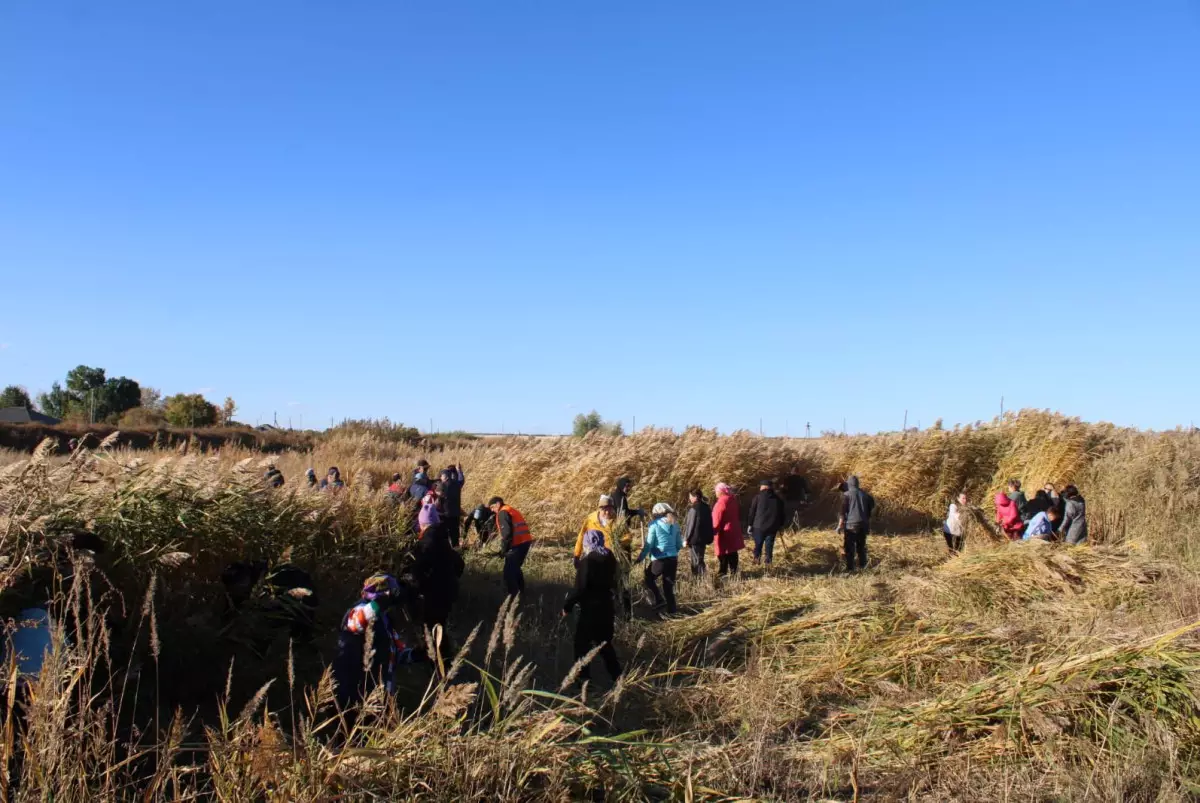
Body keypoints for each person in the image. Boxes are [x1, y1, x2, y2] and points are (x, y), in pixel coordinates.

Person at [332, 573, 426, 710]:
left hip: (380, 695)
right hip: (357, 694)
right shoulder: (359, 609)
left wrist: (417, 654)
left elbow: (395, 653)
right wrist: (382, 602)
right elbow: (356, 623)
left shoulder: (385, 620)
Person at [562, 530, 622, 685]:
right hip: (607, 607)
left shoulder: (587, 561)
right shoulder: (610, 557)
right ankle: (617, 676)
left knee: (582, 644)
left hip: (590, 609)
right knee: (604, 644)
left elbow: (580, 588)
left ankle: (583, 679)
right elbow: (616, 581)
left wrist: (567, 606)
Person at [412, 521, 466, 636]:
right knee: (442, 624)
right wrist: (453, 579)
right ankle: (445, 649)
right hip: (449, 591)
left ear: (423, 525)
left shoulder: (424, 545)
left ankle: (437, 650)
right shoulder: (444, 542)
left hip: (434, 594)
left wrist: (420, 587)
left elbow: (418, 571)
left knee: (431, 626)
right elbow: (460, 564)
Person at [639, 503, 683, 614]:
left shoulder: (654, 525)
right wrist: (672, 552)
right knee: (668, 586)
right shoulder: (675, 524)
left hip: (660, 559)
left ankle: (659, 599)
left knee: (648, 578)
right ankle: (672, 611)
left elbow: (649, 544)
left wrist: (641, 557)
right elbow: (679, 544)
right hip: (673, 559)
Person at [491, 497, 533, 598]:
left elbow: (507, 534)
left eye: (492, 507)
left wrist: (503, 550)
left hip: (518, 544)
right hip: (524, 541)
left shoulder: (502, 512)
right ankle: (522, 593)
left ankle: (513, 598)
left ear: (498, 504)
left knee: (509, 572)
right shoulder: (510, 509)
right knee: (515, 568)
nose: (492, 510)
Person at [837, 476, 875, 572]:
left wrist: (839, 526)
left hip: (850, 525)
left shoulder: (847, 495)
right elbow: (872, 507)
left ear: (849, 484)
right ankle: (863, 566)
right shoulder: (866, 495)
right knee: (861, 546)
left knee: (849, 547)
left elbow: (842, 512)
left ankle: (850, 568)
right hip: (863, 525)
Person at [747, 479, 787, 566]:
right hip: (773, 526)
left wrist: (750, 524)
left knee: (758, 543)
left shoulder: (757, 497)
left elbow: (752, 512)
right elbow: (782, 514)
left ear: (763, 487)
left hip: (758, 525)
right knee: (769, 544)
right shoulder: (778, 499)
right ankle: (768, 561)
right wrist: (781, 525)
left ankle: (756, 559)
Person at [711, 483, 745, 577]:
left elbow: (717, 518)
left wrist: (714, 530)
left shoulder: (721, 502)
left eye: (717, 491)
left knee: (722, 552)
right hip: (734, 528)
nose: (716, 493)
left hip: (724, 531)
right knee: (733, 551)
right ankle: (734, 571)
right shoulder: (732, 499)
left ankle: (723, 571)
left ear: (721, 491)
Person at [573, 496, 619, 561]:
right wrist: (577, 555)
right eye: (605, 509)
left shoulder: (618, 520)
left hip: (610, 558)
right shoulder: (590, 520)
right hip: (592, 557)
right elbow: (581, 537)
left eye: (610, 509)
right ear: (599, 509)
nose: (607, 512)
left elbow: (627, 537)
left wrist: (619, 542)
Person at [682, 489, 714, 576]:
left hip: (695, 539)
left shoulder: (694, 509)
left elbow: (690, 525)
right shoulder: (706, 507)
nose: (689, 498)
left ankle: (699, 578)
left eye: (690, 496)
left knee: (696, 560)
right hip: (704, 537)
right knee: (700, 558)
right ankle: (701, 577)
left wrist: (685, 539)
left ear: (695, 497)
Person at [436, 464, 466, 547]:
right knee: (455, 535)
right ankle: (456, 549)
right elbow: (462, 480)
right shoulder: (457, 484)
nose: (440, 478)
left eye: (441, 476)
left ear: (445, 477)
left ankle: (447, 552)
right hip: (455, 514)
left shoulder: (442, 486)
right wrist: (459, 470)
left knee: (445, 535)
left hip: (445, 514)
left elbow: (438, 498)